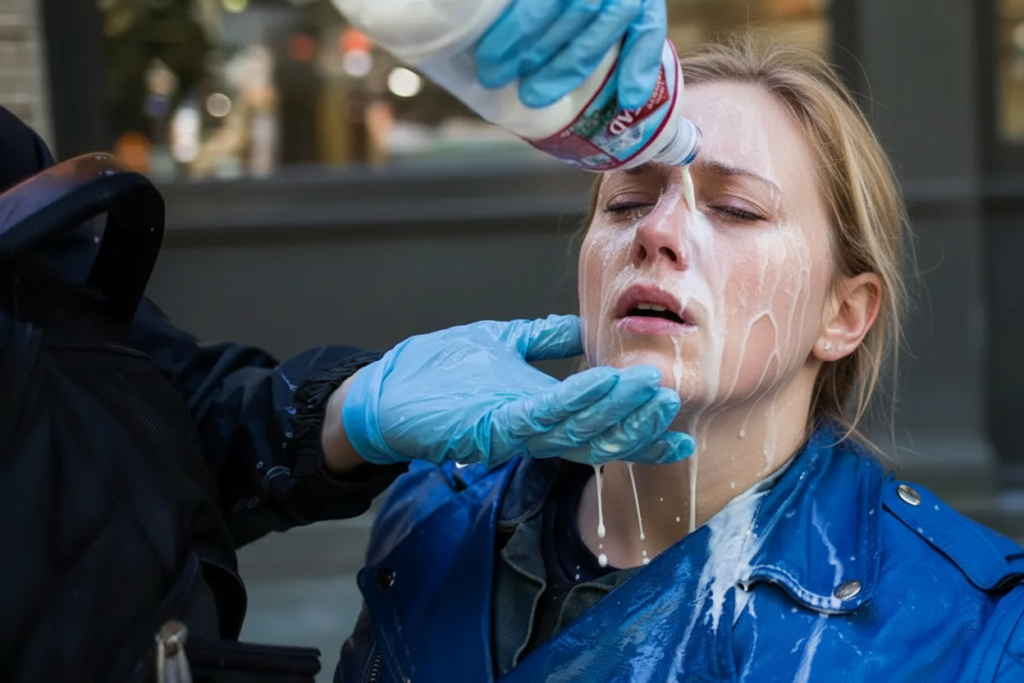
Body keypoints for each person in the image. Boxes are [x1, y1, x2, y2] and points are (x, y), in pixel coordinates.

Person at [337, 32, 1024, 682]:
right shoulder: (433, 511)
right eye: (628, 201)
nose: (657, 231)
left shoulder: (974, 629)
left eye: (737, 210)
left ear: (842, 314)